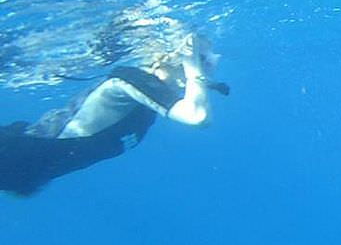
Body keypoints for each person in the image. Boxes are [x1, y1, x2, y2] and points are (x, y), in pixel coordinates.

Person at [0, 34, 229, 196]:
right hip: (14, 156)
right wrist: (194, 71)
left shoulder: (152, 98)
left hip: (22, 166)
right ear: (176, 57)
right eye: (204, 59)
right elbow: (197, 116)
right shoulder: (133, 81)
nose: (211, 67)